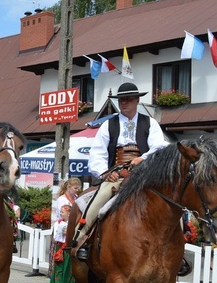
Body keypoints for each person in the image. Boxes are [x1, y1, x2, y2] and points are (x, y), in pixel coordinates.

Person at [72, 82, 168, 261]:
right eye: (122, 99)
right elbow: (97, 154)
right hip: (116, 173)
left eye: (129, 99)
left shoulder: (150, 123)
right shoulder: (109, 125)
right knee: (98, 200)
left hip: (145, 174)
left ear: (137, 100)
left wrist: (143, 158)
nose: (124, 103)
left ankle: (176, 247)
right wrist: (107, 173)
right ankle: (82, 240)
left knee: (169, 200)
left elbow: (159, 147)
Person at [50, 205, 74, 283]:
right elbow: (57, 236)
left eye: (62, 212)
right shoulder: (58, 223)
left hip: (68, 247)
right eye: (60, 212)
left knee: (68, 267)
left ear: (69, 213)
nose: (61, 214)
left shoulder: (72, 223)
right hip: (60, 247)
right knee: (59, 267)